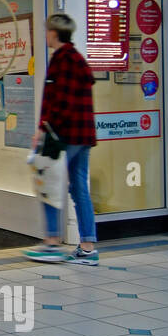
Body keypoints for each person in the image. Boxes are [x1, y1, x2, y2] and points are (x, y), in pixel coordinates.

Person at [26, 13, 98, 266]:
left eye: (47, 31)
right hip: (83, 134)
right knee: (79, 188)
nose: (45, 35)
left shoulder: (62, 60)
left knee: (49, 184)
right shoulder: (77, 59)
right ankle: (88, 246)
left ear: (54, 33)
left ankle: (52, 243)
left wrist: (43, 130)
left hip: (63, 135)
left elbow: (60, 102)